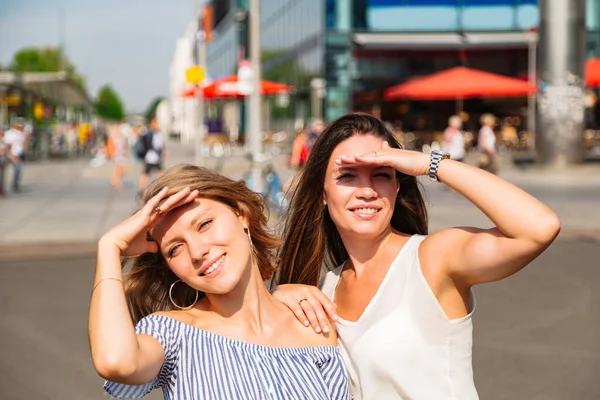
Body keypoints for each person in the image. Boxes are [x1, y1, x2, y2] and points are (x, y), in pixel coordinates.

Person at [272, 113, 561, 399]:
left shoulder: (431, 259)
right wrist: (279, 298)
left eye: (382, 174)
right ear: (323, 193)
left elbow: (539, 228)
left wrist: (429, 164)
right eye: (347, 176)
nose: (367, 191)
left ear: (398, 185)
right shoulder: (325, 289)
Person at [89, 164, 349, 399]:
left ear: (241, 215)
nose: (197, 251)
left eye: (204, 224)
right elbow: (115, 362)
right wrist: (110, 247)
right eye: (175, 248)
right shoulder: (172, 334)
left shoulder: (313, 324)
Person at [137, 119, 165, 199]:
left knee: (160, 173)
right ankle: (142, 190)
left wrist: (163, 151)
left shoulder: (157, 133)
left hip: (156, 158)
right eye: (156, 123)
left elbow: (160, 144)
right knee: (146, 174)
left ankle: (161, 188)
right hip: (151, 157)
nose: (157, 125)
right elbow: (153, 145)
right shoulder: (149, 133)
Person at [3, 120, 27, 192]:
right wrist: (11, 155)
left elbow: (24, 143)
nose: (20, 128)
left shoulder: (20, 134)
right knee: (15, 169)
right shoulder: (9, 133)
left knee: (18, 169)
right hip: (11, 154)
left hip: (18, 153)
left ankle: (15, 184)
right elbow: (7, 145)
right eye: (18, 126)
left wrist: (25, 134)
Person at [105, 125, 129, 191]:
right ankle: (117, 184)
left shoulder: (122, 138)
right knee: (117, 170)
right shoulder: (112, 138)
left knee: (122, 171)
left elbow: (124, 147)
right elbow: (110, 147)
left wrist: (126, 153)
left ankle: (113, 179)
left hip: (122, 156)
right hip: (116, 156)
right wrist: (111, 155)